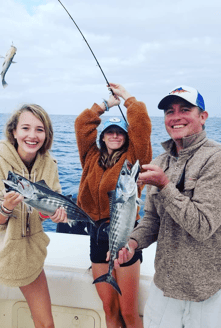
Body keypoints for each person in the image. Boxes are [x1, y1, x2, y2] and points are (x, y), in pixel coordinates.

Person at [114, 85, 221, 328]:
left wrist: (164, 185)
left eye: (185, 109)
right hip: (164, 286)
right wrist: (132, 243)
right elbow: (152, 220)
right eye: (169, 111)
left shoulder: (216, 158)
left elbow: (203, 226)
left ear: (203, 117)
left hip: (205, 292)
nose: (175, 117)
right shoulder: (160, 161)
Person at [0, 104, 67, 328]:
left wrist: (51, 215)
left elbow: (52, 203)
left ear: (47, 135)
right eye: (25, 128)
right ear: (14, 131)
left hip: (27, 255)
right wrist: (4, 209)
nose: (32, 135)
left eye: (39, 129)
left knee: (46, 325)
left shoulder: (50, 165)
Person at [75, 83, 152, 328]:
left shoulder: (134, 160)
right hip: (96, 235)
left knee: (129, 312)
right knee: (109, 310)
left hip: (125, 236)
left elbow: (141, 125)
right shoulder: (90, 157)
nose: (115, 135)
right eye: (110, 131)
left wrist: (127, 98)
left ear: (126, 136)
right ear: (102, 136)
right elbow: (81, 124)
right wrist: (105, 105)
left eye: (120, 132)